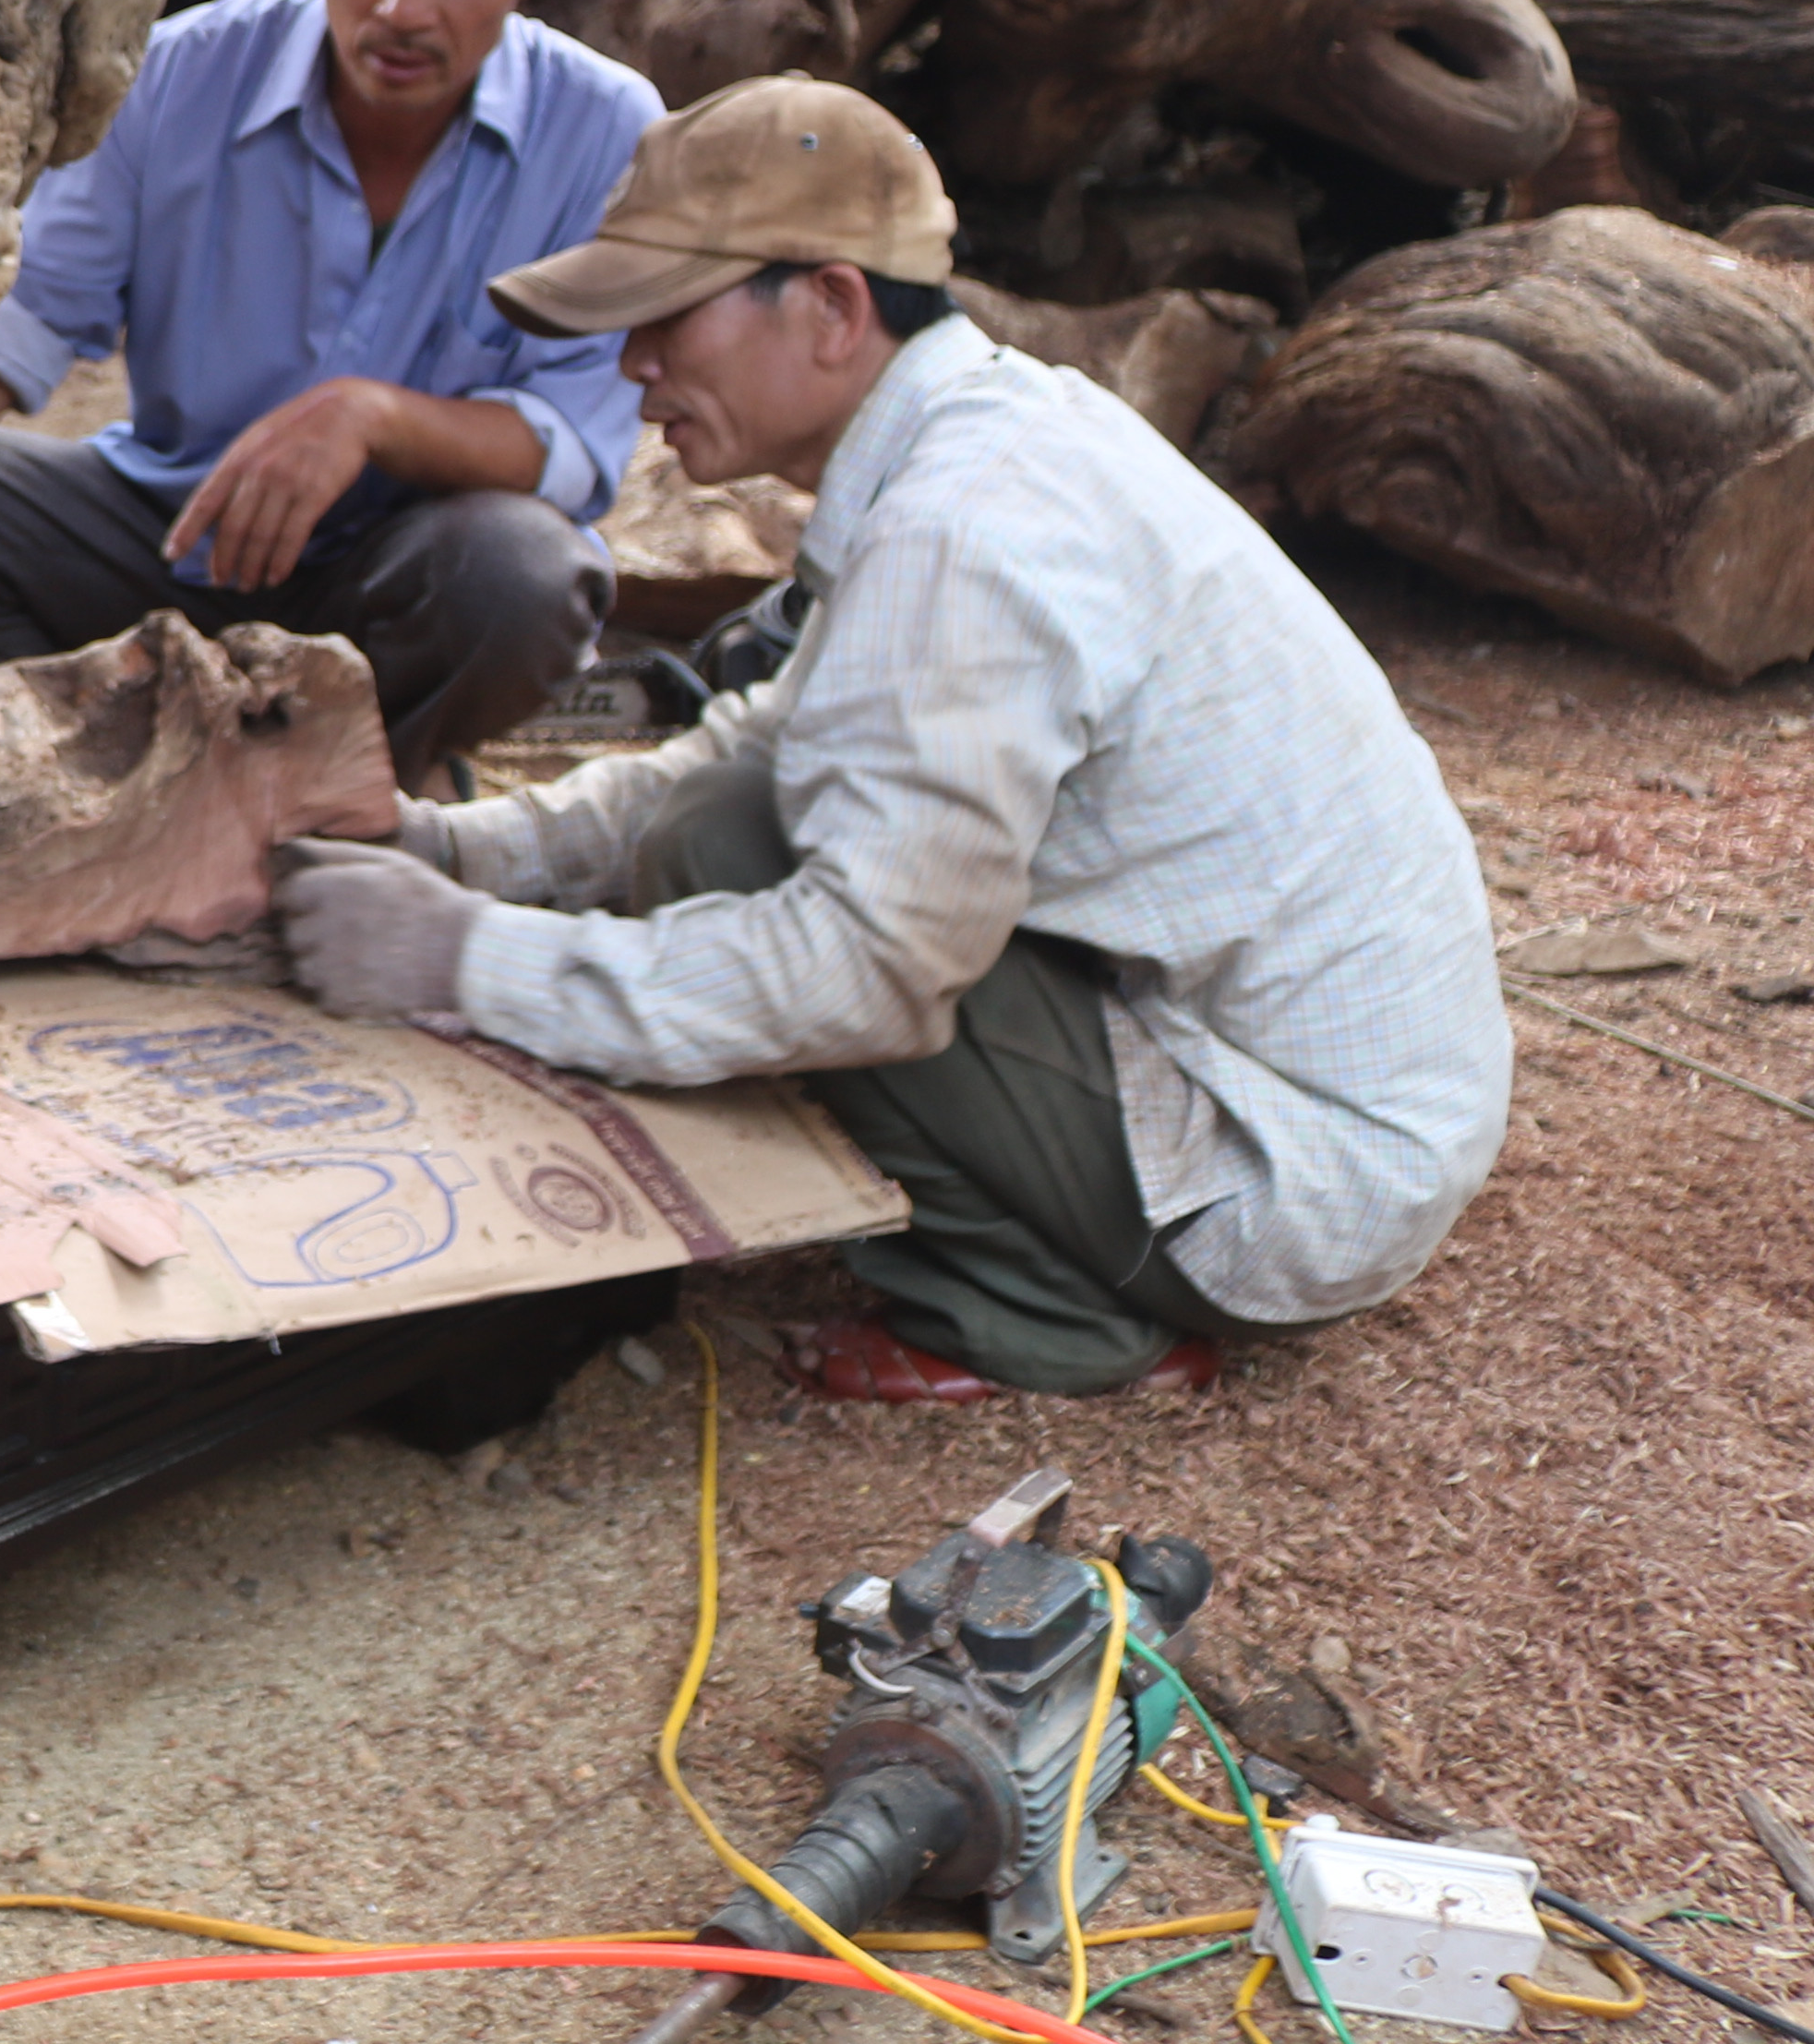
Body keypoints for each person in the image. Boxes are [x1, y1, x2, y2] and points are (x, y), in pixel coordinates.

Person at [266, 78, 1512, 1405]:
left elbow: (867, 974)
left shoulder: (965, 533)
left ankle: (1047, 1313)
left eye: (664, 320)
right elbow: (761, 744)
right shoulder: (971, 443)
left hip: (1287, 1172)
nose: (634, 368)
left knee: (742, 869)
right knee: (727, 827)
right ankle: (1058, 1223)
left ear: (833, 307)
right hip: (1306, 1089)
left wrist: (467, 958)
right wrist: (457, 849)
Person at [0, 0, 660, 779]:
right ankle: (125, 770)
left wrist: (372, 417)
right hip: (170, 532)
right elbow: (5, 339)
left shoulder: (608, 128)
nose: (402, 7)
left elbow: (574, 443)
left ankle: (345, 778)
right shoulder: (179, 73)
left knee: (524, 580)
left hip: (405, 571)